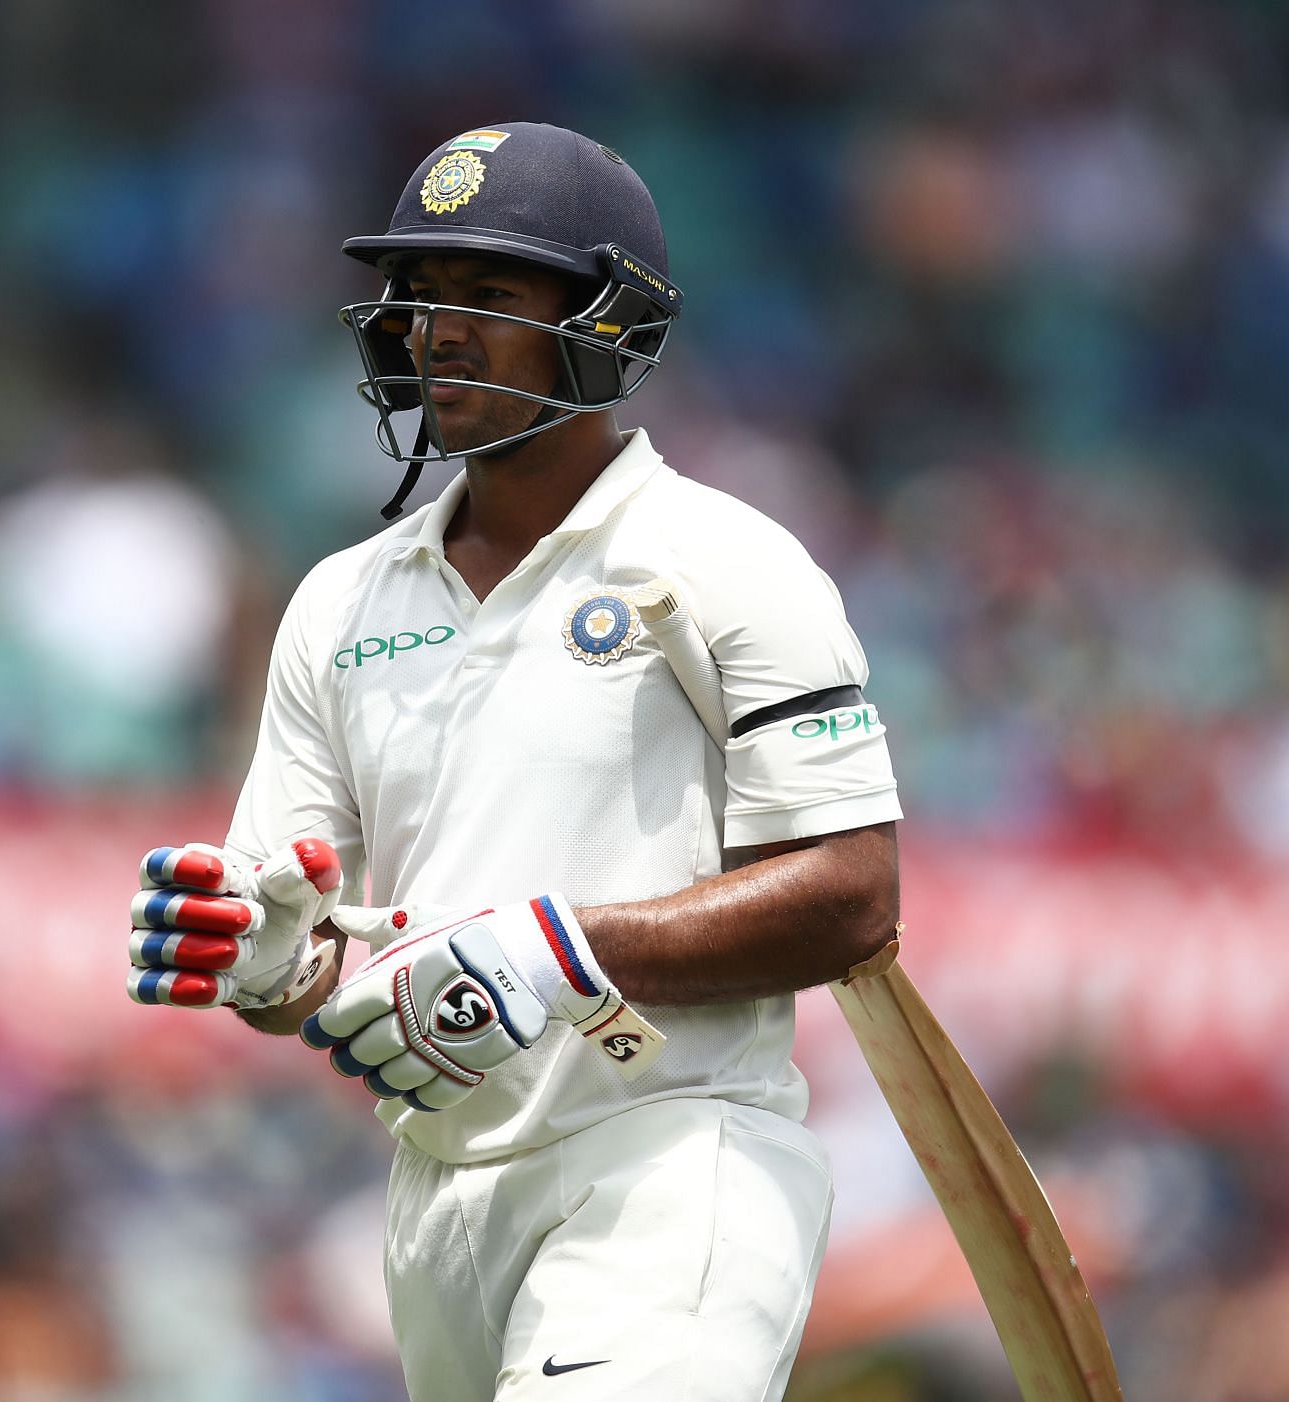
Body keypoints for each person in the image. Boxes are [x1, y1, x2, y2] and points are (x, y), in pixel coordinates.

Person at [127, 122, 903, 1401]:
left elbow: (852, 893)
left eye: (490, 295)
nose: (439, 328)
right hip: (436, 1190)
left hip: (670, 1154)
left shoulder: (725, 562)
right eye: (422, 296)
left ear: (605, 324)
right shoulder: (341, 603)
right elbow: (317, 957)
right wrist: (266, 960)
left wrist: (555, 948)